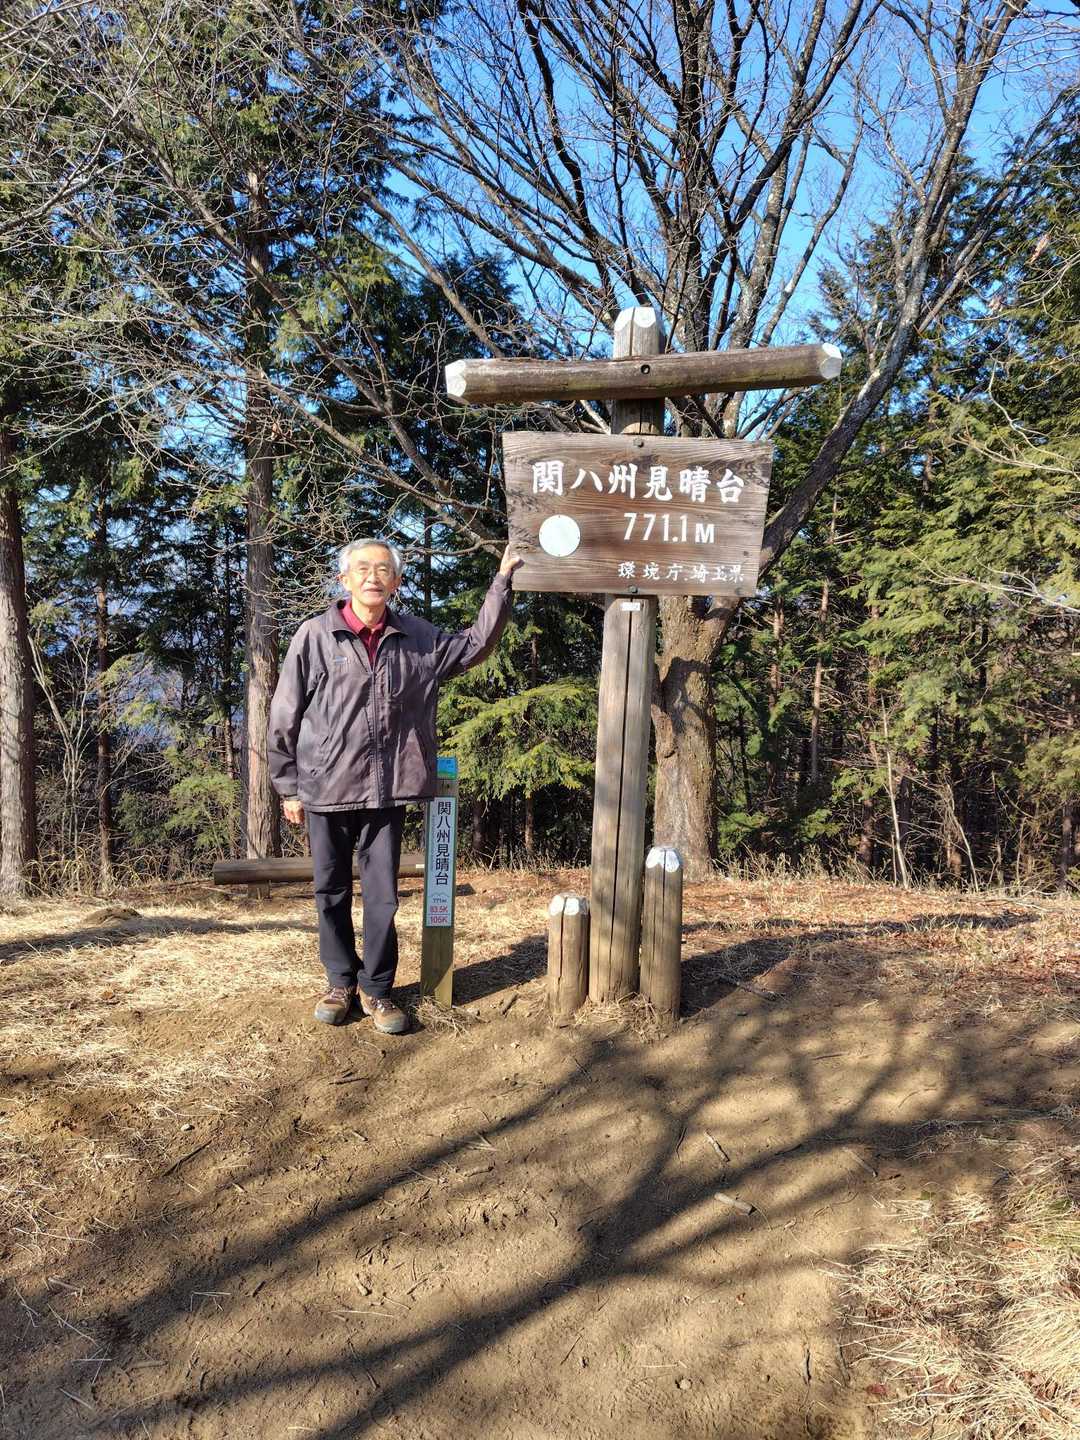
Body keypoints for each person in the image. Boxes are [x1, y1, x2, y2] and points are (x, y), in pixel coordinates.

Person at [268, 538, 521, 1033]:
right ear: (343, 579)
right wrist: (288, 787)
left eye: (384, 569)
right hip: (326, 787)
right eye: (363, 568)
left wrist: (502, 580)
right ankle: (340, 982)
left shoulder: (417, 637)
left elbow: (475, 644)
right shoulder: (315, 636)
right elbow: (284, 713)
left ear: (396, 581)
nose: (373, 577)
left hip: (389, 789)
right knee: (331, 891)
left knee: (382, 897)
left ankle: (378, 989)